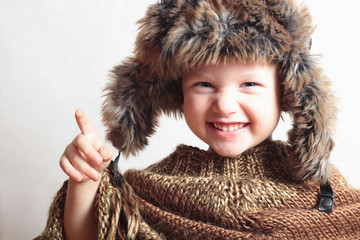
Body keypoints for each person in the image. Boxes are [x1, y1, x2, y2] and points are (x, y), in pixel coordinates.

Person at [34, 0, 360, 239]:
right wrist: (86, 181)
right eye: (204, 84)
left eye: (249, 84)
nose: (226, 105)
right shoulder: (152, 188)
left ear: (286, 93)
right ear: (178, 93)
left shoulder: (322, 192)